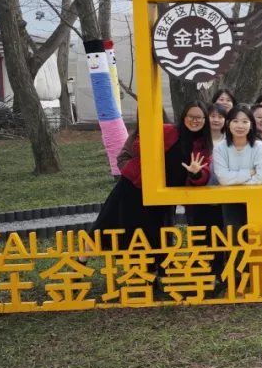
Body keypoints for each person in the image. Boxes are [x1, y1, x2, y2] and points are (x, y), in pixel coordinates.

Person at [81, 102, 212, 265]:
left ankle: (147, 272)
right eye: (191, 116)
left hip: (160, 199)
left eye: (199, 117)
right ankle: (80, 265)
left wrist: (196, 173)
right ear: (183, 117)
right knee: (106, 226)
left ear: (205, 120)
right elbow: (138, 144)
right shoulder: (168, 131)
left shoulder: (203, 146)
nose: (195, 121)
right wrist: (146, 156)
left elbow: (203, 176)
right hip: (133, 188)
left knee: (152, 238)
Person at [213, 105, 262, 233]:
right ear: (228, 123)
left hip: (256, 199)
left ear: (251, 125)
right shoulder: (220, 148)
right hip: (230, 201)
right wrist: (249, 173)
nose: (240, 126)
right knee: (233, 237)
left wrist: (234, 180)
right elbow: (223, 178)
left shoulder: (259, 147)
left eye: (245, 121)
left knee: (258, 236)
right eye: (235, 121)